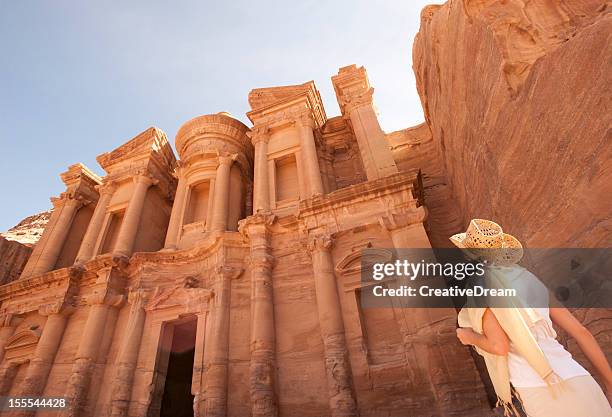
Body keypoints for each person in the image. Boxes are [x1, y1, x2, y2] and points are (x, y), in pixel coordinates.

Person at [451, 219, 612, 417]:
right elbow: (582, 332)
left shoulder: (482, 288)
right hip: (579, 379)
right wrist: (610, 384)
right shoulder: (530, 280)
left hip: (543, 390)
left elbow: (498, 346)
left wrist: (468, 336)